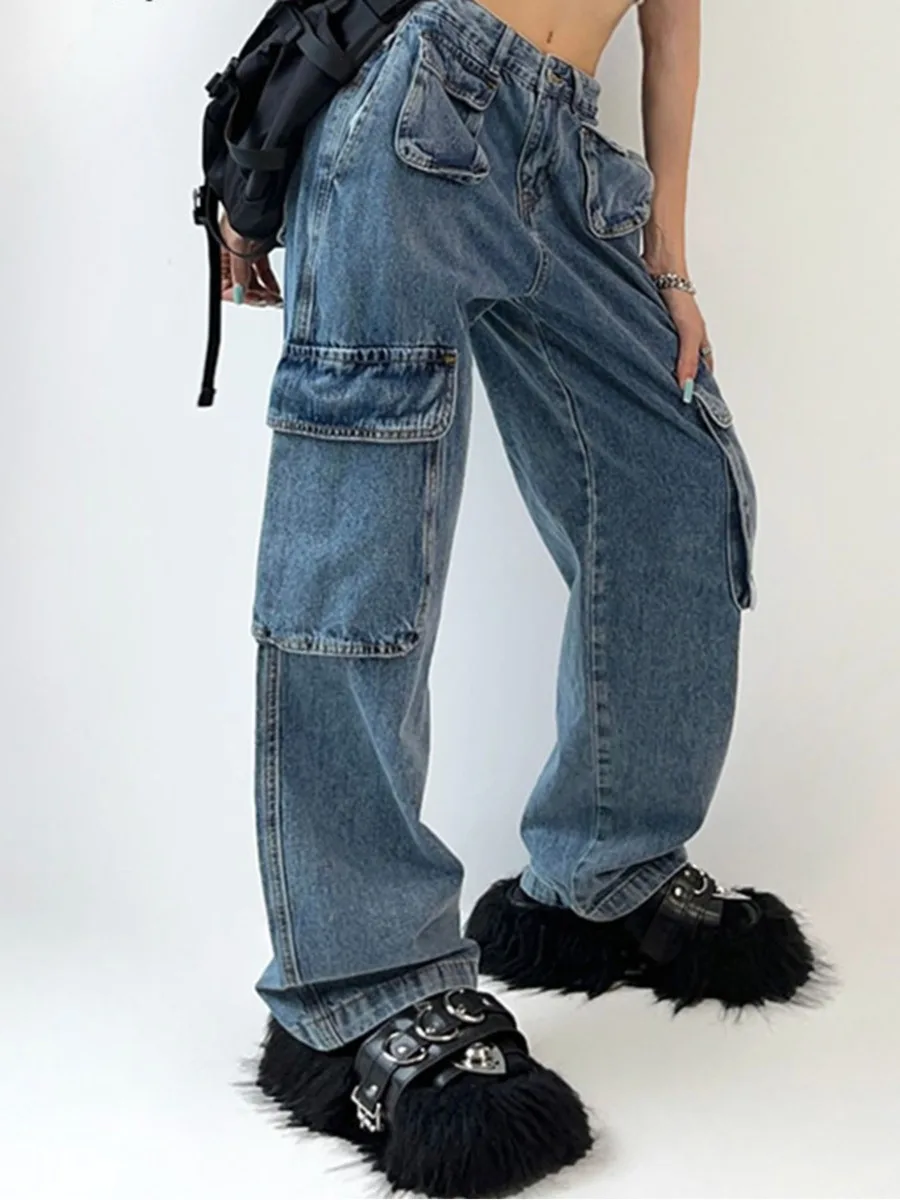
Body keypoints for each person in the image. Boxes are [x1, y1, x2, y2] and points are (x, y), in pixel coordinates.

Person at [219, 1, 822, 1195]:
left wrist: (671, 259)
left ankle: (605, 869)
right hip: (420, 108)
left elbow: (674, 21)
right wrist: (263, 153)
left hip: (570, 153)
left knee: (677, 484)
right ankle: (360, 979)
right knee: (363, 551)